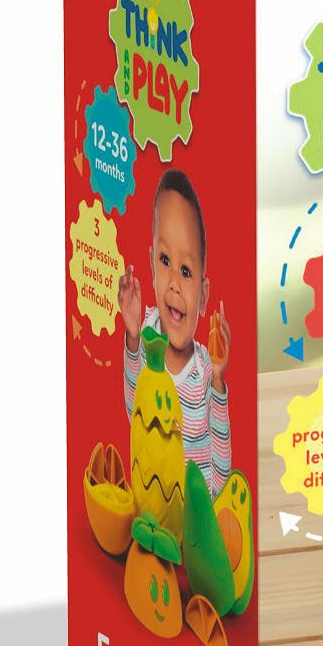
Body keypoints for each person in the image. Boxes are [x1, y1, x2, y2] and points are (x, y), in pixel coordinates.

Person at [118, 168, 231, 497]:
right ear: (151, 264)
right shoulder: (146, 334)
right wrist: (132, 335)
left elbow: (222, 471)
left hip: (195, 508)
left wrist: (218, 378)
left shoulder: (205, 370)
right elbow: (134, 415)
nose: (174, 284)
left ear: (203, 296)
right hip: (153, 498)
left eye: (186, 270)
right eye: (165, 260)